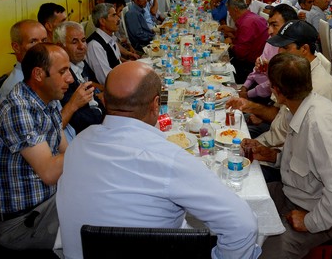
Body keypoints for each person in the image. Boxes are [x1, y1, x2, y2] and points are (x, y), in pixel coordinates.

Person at [56, 61, 261, 259]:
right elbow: (242, 226)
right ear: (156, 105)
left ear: (104, 101)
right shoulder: (168, 158)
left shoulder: (78, 144)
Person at [240, 54, 332, 259]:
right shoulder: (298, 108)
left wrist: (309, 221)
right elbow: (303, 162)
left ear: (277, 92)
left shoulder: (318, 126)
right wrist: (272, 156)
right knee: (236, 205)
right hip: (292, 192)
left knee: (265, 255)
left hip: (316, 210)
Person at [0, 43, 72, 250]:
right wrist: (88, 144)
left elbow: (66, 151)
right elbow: (49, 173)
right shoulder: (17, 109)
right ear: (39, 74)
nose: (70, 78)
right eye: (63, 72)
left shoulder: (47, 99)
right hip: (23, 223)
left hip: (48, 201)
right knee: (97, 225)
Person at [232, 20, 332, 151]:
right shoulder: (292, 72)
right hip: (271, 137)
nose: (279, 52)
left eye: (285, 47)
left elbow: (307, 145)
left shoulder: (320, 87)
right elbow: (277, 113)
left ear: (304, 49)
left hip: (283, 151)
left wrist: (271, 154)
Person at [239, 4, 298, 104]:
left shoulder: (293, 50)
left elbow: (272, 84)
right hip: (257, 88)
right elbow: (258, 68)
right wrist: (245, 86)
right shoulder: (271, 40)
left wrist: (248, 94)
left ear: (289, 26)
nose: (269, 31)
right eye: (269, 25)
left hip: (271, 97)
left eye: (274, 25)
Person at [53, 21, 105, 135]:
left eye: (83, 40)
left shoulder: (80, 63)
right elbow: (79, 120)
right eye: (74, 42)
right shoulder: (62, 77)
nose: (82, 46)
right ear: (60, 47)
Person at [0, 20, 48, 105]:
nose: (42, 47)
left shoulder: (44, 71)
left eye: (44, 40)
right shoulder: (15, 91)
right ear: (16, 47)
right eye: (33, 41)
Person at [226, 0, 269, 84]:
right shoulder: (252, 16)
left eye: (229, 11)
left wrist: (230, 44)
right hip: (258, 59)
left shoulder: (246, 24)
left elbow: (241, 53)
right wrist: (233, 33)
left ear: (235, 10)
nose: (229, 14)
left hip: (249, 66)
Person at [85, 3, 122, 85]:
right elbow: (106, 79)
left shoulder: (110, 39)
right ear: (102, 21)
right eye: (114, 15)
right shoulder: (95, 45)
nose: (118, 19)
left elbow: (117, 62)